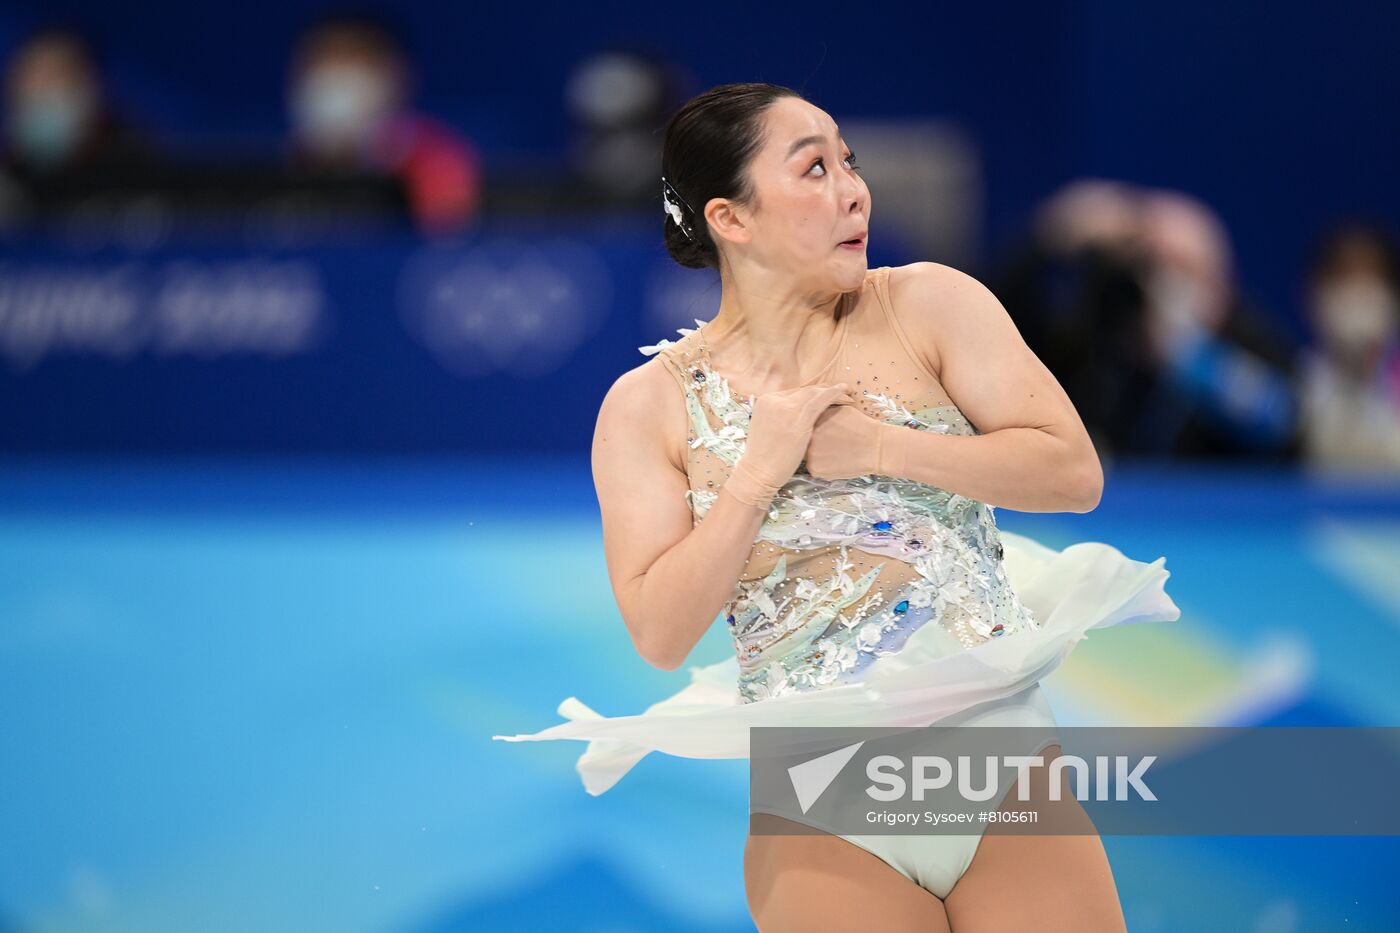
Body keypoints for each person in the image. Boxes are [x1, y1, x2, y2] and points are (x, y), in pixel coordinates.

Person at [494, 83, 1180, 931]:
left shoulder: (928, 304)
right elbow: (660, 634)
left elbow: (1074, 474)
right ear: (730, 219)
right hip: (824, 805)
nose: (854, 189)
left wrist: (883, 447)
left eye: (848, 161)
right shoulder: (648, 406)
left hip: (998, 769)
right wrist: (755, 476)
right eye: (813, 168)